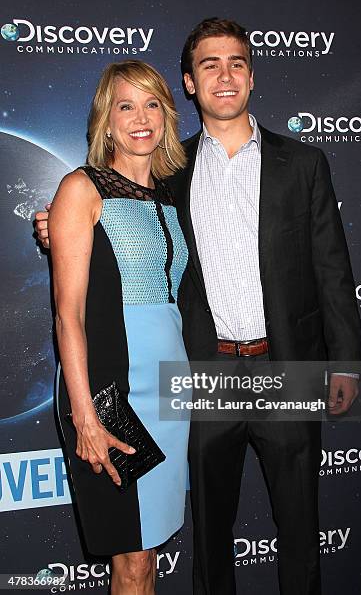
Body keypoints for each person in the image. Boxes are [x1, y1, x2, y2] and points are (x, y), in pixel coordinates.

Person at [36, 18, 361, 595]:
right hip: (201, 375)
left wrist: (345, 363)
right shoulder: (172, 172)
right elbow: (105, 224)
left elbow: (333, 270)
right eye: (209, 64)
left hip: (285, 368)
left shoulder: (303, 164)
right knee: (208, 533)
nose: (225, 74)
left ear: (252, 76)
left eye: (236, 62)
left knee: (300, 525)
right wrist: (54, 226)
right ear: (190, 83)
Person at [47, 60, 189, 595]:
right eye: (125, 105)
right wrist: (85, 415)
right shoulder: (81, 189)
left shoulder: (171, 197)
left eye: (152, 103)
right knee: (131, 558)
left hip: (171, 391)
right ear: (106, 120)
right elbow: (68, 314)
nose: (140, 117)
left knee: (147, 556)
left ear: (167, 116)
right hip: (111, 392)